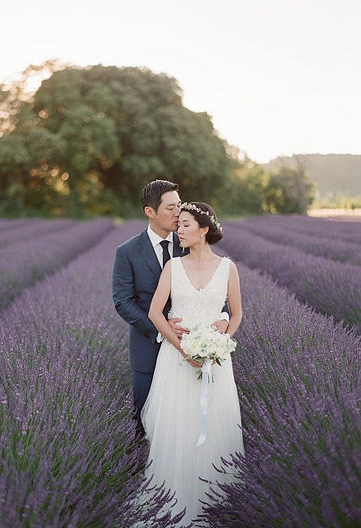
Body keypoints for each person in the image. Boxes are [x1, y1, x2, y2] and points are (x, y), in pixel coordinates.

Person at [141, 201, 244, 525]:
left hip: (216, 360)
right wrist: (181, 347)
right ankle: (172, 501)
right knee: (178, 428)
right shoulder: (172, 266)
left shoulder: (228, 267)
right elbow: (155, 313)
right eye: (178, 224)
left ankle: (217, 502)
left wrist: (224, 333)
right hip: (177, 360)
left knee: (214, 426)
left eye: (185, 224)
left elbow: (237, 313)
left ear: (203, 229)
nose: (179, 230)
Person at [112, 181, 230, 432]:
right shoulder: (128, 252)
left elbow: (217, 288)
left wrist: (223, 317)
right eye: (171, 208)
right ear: (150, 212)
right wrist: (160, 328)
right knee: (147, 422)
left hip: (195, 344)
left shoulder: (189, 240)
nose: (178, 213)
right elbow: (123, 301)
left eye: (179, 206)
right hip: (148, 348)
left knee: (192, 420)